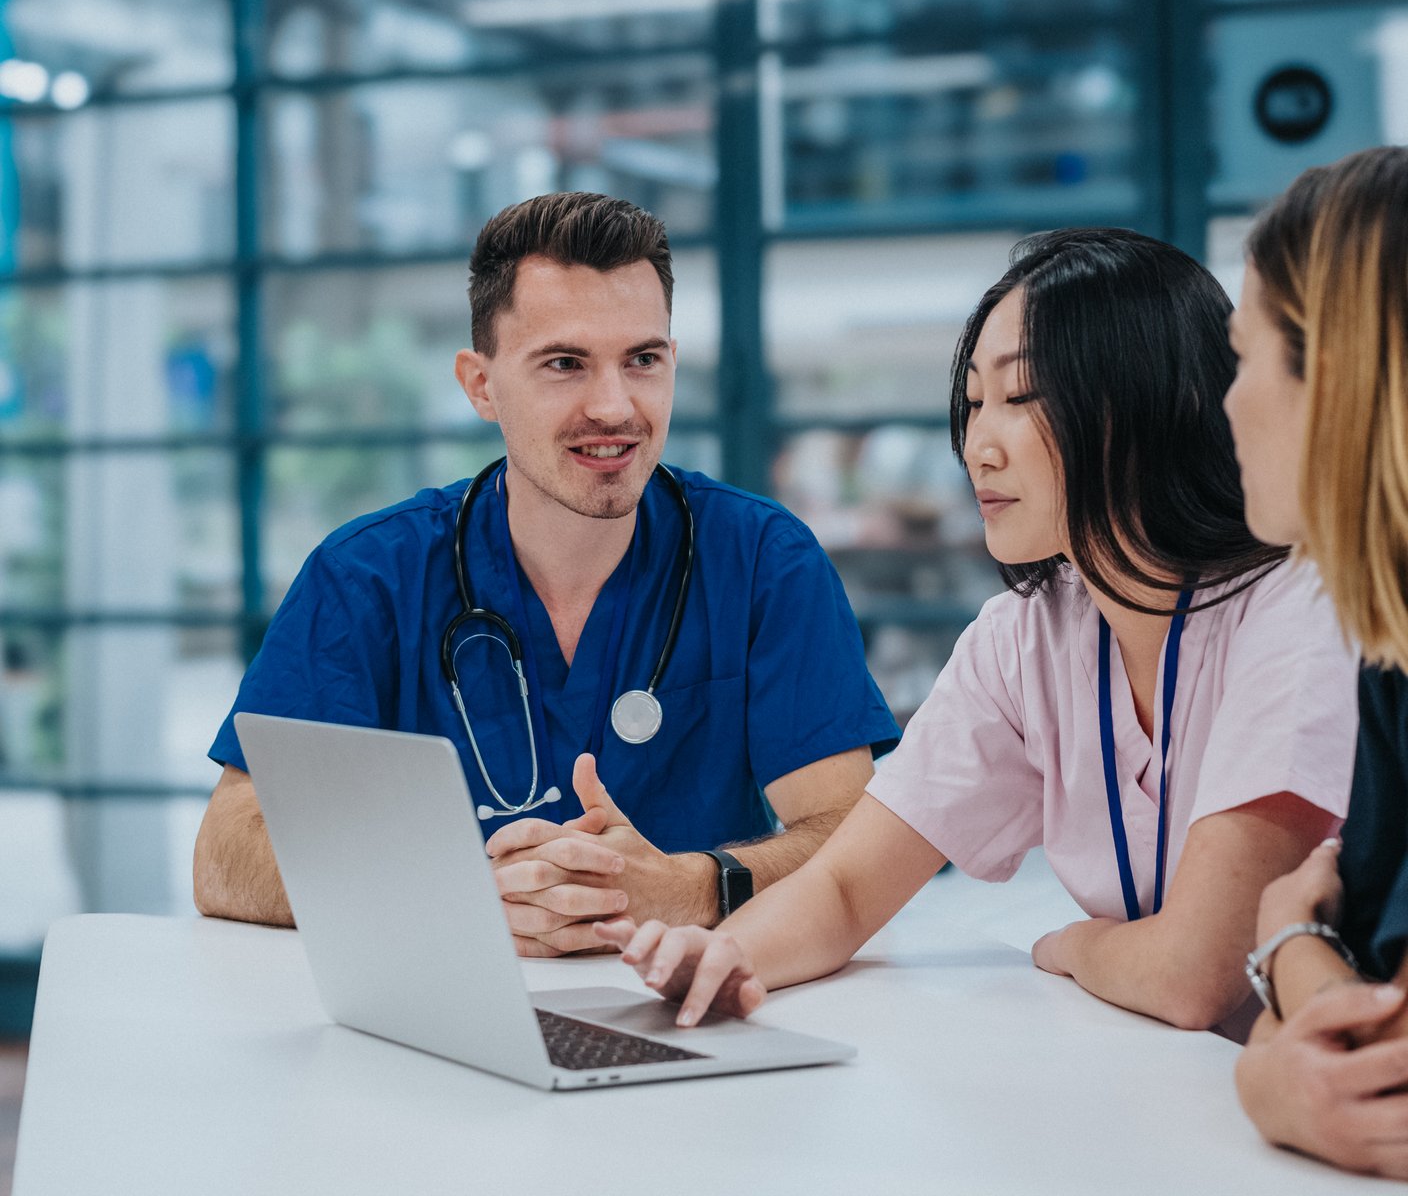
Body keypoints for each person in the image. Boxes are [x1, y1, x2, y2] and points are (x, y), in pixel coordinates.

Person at [594, 227, 1361, 1034]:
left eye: (1020, 397)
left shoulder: (1294, 609)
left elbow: (1190, 977)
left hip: (1322, 1105)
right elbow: (848, 887)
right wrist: (729, 957)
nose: (977, 445)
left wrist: (1077, 945)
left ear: (1144, 399)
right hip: (1175, 1090)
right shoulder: (1024, 637)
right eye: (974, 401)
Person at [193, 192, 897, 953]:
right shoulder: (367, 577)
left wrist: (690, 886)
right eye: (565, 364)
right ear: (481, 384)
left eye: (643, 360)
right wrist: (463, 894)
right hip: (445, 1019)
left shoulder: (762, 561)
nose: (614, 405)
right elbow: (227, 855)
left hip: (694, 1013)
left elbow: (853, 841)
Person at [1224, 147, 1408, 1178]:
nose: (1224, 404)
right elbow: (1338, 1047)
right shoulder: (1389, 652)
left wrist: (1283, 936)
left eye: (1244, 357)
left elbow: (1375, 1077)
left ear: (1330, 372)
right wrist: (1273, 1058)